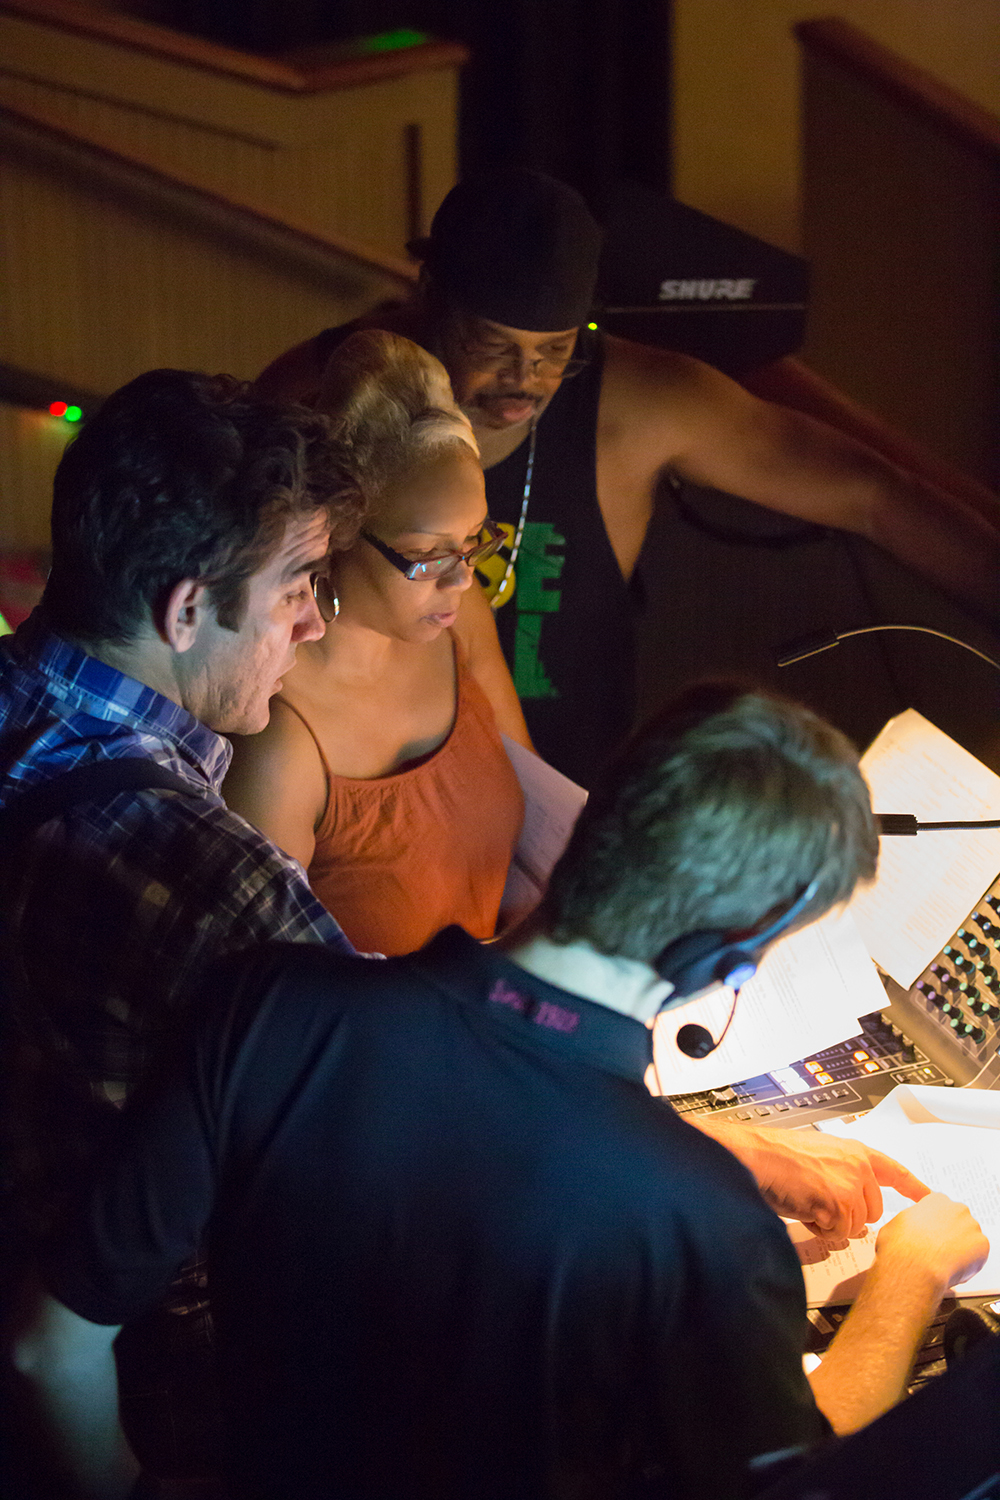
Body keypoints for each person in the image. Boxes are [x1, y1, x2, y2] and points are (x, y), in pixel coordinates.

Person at [11, 684, 987, 1500]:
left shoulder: (269, 1004)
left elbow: (48, 1350)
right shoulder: (700, 1221)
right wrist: (910, 1273)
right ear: (730, 959)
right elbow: (799, 1484)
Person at [257, 169, 1000, 787]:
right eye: (494, 347)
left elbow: (873, 494)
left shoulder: (643, 402)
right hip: (365, 782)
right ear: (431, 297)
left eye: (555, 350)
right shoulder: (316, 394)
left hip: (575, 797)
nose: (525, 381)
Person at [224, 331, 529, 956]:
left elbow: (536, 815)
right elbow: (275, 989)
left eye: (474, 540)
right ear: (335, 534)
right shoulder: (275, 732)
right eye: (426, 554)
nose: (461, 578)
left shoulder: (458, 614)